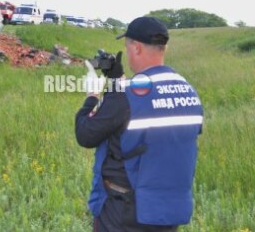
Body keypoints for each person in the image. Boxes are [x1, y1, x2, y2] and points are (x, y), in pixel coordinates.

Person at [75, 17, 204, 231]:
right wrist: (118, 77)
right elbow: (146, 106)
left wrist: (92, 96)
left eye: (127, 48)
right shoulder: (189, 92)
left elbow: (85, 134)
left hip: (124, 212)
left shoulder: (123, 96)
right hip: (167, 211)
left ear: (136, 48)